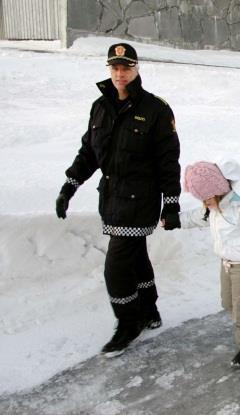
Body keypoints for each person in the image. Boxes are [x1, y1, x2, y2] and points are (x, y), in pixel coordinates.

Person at [55, 43, 181, 357]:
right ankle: (149, 310)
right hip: (111, 199)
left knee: (116, 267)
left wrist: (172, 203)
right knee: (135, 257)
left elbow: (168, 160)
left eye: (126, 67)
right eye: (115, 68)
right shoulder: (100, 107)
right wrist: (69, 187)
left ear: (137, 68)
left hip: (140, 201)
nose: (120, 74)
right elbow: (89, 153)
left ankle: (128, 322)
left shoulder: (155, 110)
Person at [180, 161, 240, 368]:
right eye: (201, 200)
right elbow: (197, 217)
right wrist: (175, 221)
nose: (205, 203)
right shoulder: (214, 207)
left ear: (218, 191)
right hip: (227, 263)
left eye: (206, 198)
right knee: (227, 303)